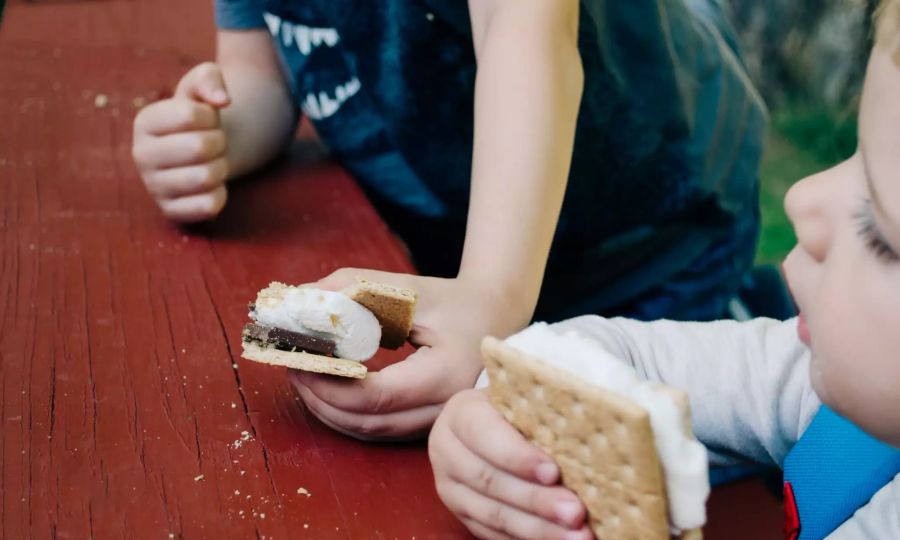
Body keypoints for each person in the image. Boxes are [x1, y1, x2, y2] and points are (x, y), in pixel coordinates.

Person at [132, 0, 765, 439]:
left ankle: (767, 327)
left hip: (647, 237)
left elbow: (527, 35)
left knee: (663, 460)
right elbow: (260, 73)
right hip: (462, 247)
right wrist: (215, 136)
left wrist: (491, 293)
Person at [428, 2, 900, 540]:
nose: (802, 198)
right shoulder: (811, 383)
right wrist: (496, 419)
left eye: (881, 230)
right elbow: (607, 359)